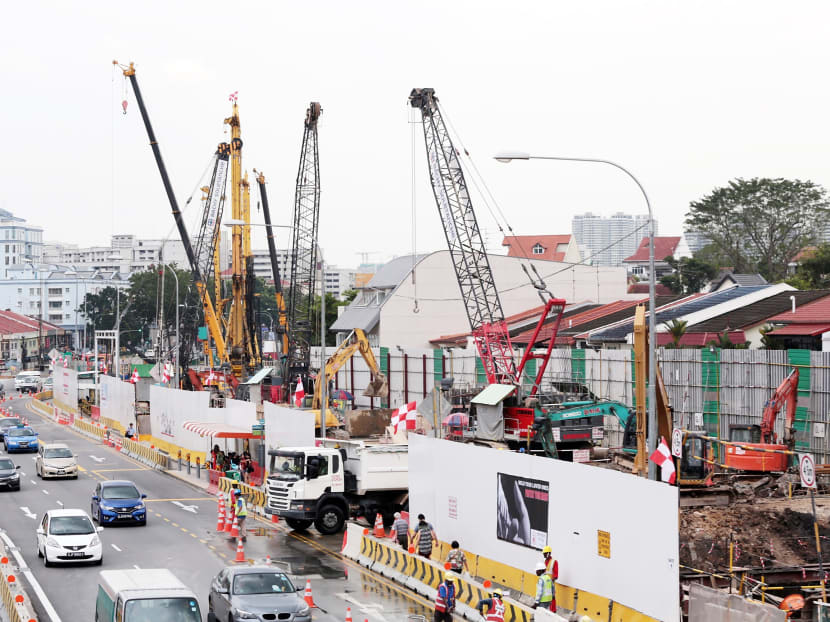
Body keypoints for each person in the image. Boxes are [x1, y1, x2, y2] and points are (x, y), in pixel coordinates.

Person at [542, 545, 559, 611]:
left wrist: (550, 582)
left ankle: (553, 611)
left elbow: (556, 575)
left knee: (552, 597)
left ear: (549, 553)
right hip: (545, 583)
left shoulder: (554, 562)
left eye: (545, 553)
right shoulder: (545, 562)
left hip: (550, 583)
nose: (543, 555)